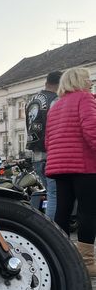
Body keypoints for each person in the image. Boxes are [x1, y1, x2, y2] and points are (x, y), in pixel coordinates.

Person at [45, 67, 96, 277]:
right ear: (79, 81)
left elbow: (48, 140)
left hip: (59, 165)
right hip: (83, 164)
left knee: (63, 210)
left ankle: (62, 258)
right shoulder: (85, 98)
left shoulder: (56, 106)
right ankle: (87, 261)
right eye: (88, 79)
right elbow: (92, 130)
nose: (91, 82)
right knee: (87, 211)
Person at [25, 70, 62, 219]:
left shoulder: (31, 100)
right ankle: (52, 229)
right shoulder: (55, 100)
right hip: (50, 154)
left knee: (51, 194)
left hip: (36, 155)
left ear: (46, 82)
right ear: (60, 84)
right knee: (55, 196)